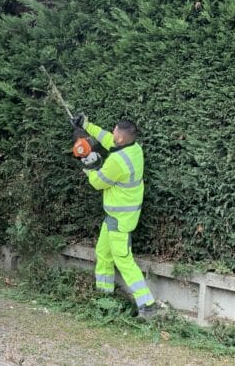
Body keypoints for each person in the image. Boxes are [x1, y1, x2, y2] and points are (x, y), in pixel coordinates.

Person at [72, 114, 157, 319]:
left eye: (115, 132)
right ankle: (104, 297)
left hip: (120, 218)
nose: (112, 133)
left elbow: (98, 182)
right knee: (103, 253)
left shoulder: (118, 161)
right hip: (116, 214)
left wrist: (89, 164)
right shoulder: (133, 149)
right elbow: (106, 138)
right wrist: (86, 125)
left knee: (123, 260)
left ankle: (147, 305)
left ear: (120, 138)